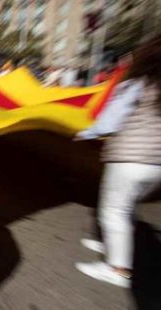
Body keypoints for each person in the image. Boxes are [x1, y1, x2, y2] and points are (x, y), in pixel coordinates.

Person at [74, 35, 161, 288]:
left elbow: (111, 121)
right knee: (127, 207)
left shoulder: (138, 85)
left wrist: (86, 133)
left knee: (114, 211)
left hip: (131, 159)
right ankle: (111, 244)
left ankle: (117, 268)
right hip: (157, 165)